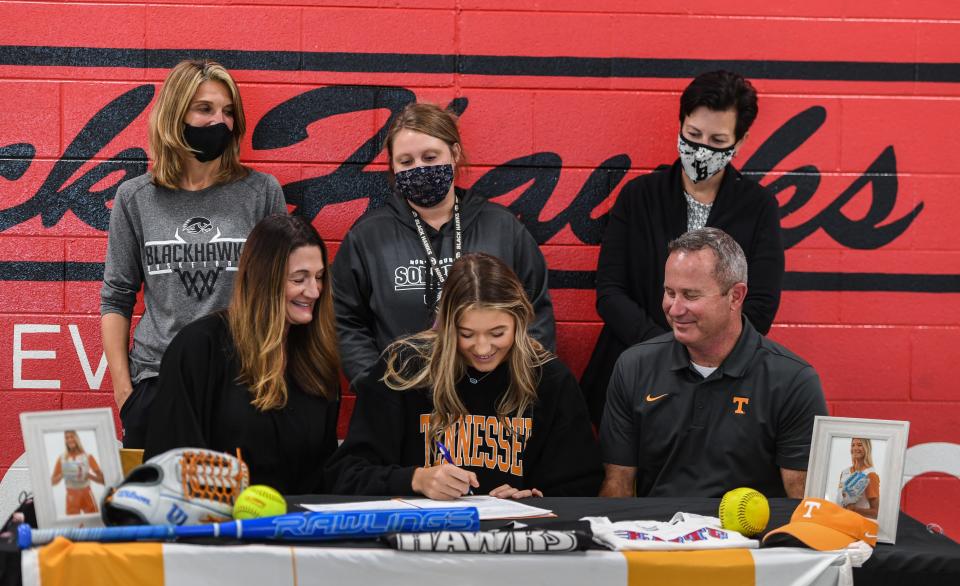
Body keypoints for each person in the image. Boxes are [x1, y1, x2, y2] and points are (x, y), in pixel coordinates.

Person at [101, 60, 287, 447]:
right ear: (175, 114)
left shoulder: (261, 192)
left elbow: (280, 294)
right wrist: (125, 393)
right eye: (205, 109)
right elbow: (116, 298)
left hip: (240, 380)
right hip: (157, 380)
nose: (220, 120)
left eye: (228, 110)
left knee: (235, 504)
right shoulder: (135, 197)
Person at [582, 70, 784, 427]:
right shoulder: (639, 196)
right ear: (680, 124)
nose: (702, 148)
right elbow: (610, 293)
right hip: (635, 369)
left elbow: (761, 306)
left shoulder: (758, 207)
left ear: (740, 140)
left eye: (718, 139)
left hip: (721, 379)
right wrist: (666, 350)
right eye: (693, 134)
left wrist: (706, 356)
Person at [327, 252, 601, 499]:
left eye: (498, 333)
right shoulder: (404, 367)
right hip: (417, 542)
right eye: (466, 334)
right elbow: (345, 474)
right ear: (445, 326)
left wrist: (532, 497)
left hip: (514, 544)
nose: (482, 349)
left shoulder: (549, 379)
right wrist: (415, 479)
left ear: (520, 322)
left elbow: (581, 483)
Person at [332, 103, 556, 389]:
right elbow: (345, 321)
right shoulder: (368, 236)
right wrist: (374, 387)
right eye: (406, 161)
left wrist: (515, 383)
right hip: (401, 399)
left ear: (454, 154)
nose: (420, 169)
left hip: (490, 402)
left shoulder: (502, 227)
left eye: (430, 157)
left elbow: (536, 312)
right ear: (393, 167)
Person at [599, 228, 825, 499]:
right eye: (670, 292)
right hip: (657, 537)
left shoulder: (793, 381)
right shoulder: (633, 367)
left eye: (691, 296)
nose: (675, 308)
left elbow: (801, 499)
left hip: (750, 539)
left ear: (736, 296)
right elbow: (617, 486)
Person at [143, 214, 340, 494]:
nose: (314, 291)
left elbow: (323, 474)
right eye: (299, 279)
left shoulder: (316, 358)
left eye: (319, 277)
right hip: (217, 528)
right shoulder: (200, 347)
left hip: (298, 529)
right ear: (263, 280)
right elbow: (169, 464)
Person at [50, 430, 104, 515]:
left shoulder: (87, 456)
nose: (69, 439)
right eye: (67, 437)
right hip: (71, 495)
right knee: (74, 526)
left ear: (77, 438)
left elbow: (103, 480)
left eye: (72, 436)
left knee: (93, 524)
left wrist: (89, 475)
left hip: (86, 493)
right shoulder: (62, 458)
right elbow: (52, 481)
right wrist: (62, 474)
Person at [836, 438, 880, 519]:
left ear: (867, 448)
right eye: (853, 445)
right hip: (840, 520)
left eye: (860, 445)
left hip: (856, 524)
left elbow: (876, 513)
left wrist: (854, 509)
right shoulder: (844, 472)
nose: (855, 448)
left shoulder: (870, 475)